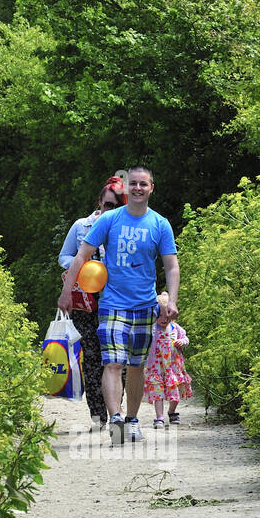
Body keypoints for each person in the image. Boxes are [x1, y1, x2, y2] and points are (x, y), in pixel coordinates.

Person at [58, 165, 180, 444]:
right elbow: (80, 257)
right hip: (112, 304)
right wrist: (67, 293)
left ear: (151, 189)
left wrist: (171, 300)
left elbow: (171, 266)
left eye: (143, 184)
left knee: (136, 366)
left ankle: (132, 420)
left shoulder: (160, 224)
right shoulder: (109, 220)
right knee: (112, 362)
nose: (138, 188)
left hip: (145, 305)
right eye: (133, 184)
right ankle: (115, 419)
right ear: (126, 189)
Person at [57, 177, 127, 430]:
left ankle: (116, 411)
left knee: (118, 358)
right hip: (86, 302)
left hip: (117, 300)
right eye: (108, 205)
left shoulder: (126, 229)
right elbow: (64, 256)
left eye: (117, 205)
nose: (111, 210)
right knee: (92, 358)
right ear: (99, 202)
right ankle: (98, 416)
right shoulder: (80, 226)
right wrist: (82, 266)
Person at [143, 291, 192, 428]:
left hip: (173, 367)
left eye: (167, 316)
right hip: (157, 367)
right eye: (160, 316)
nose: (164, 319)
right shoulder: (152, 329)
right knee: (157, 391)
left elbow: (185, 338)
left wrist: (183, 341)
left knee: (175, 390)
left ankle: (171, 411)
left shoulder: (175, 328)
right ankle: (159, 417)